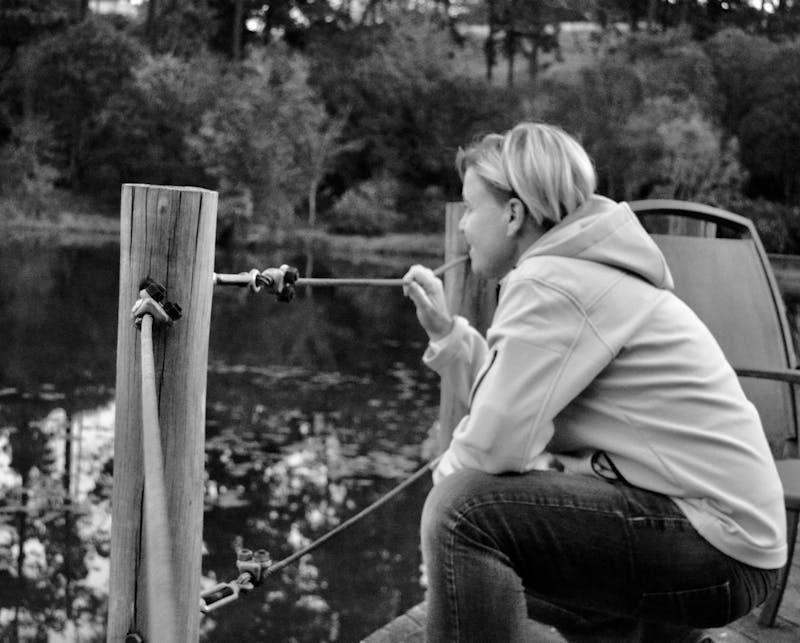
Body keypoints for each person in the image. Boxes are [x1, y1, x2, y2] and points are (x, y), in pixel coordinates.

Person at [402, 122, 786, 643]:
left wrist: (439, 511)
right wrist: (449, 335)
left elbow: (491, 448)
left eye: (471, 208)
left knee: (461, 513)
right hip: (738, 544)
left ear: (513, 214)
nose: (464, 226)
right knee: (488, 558)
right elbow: (514, 403)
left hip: (715, 544)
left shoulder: (552, 282)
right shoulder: (578, 272)